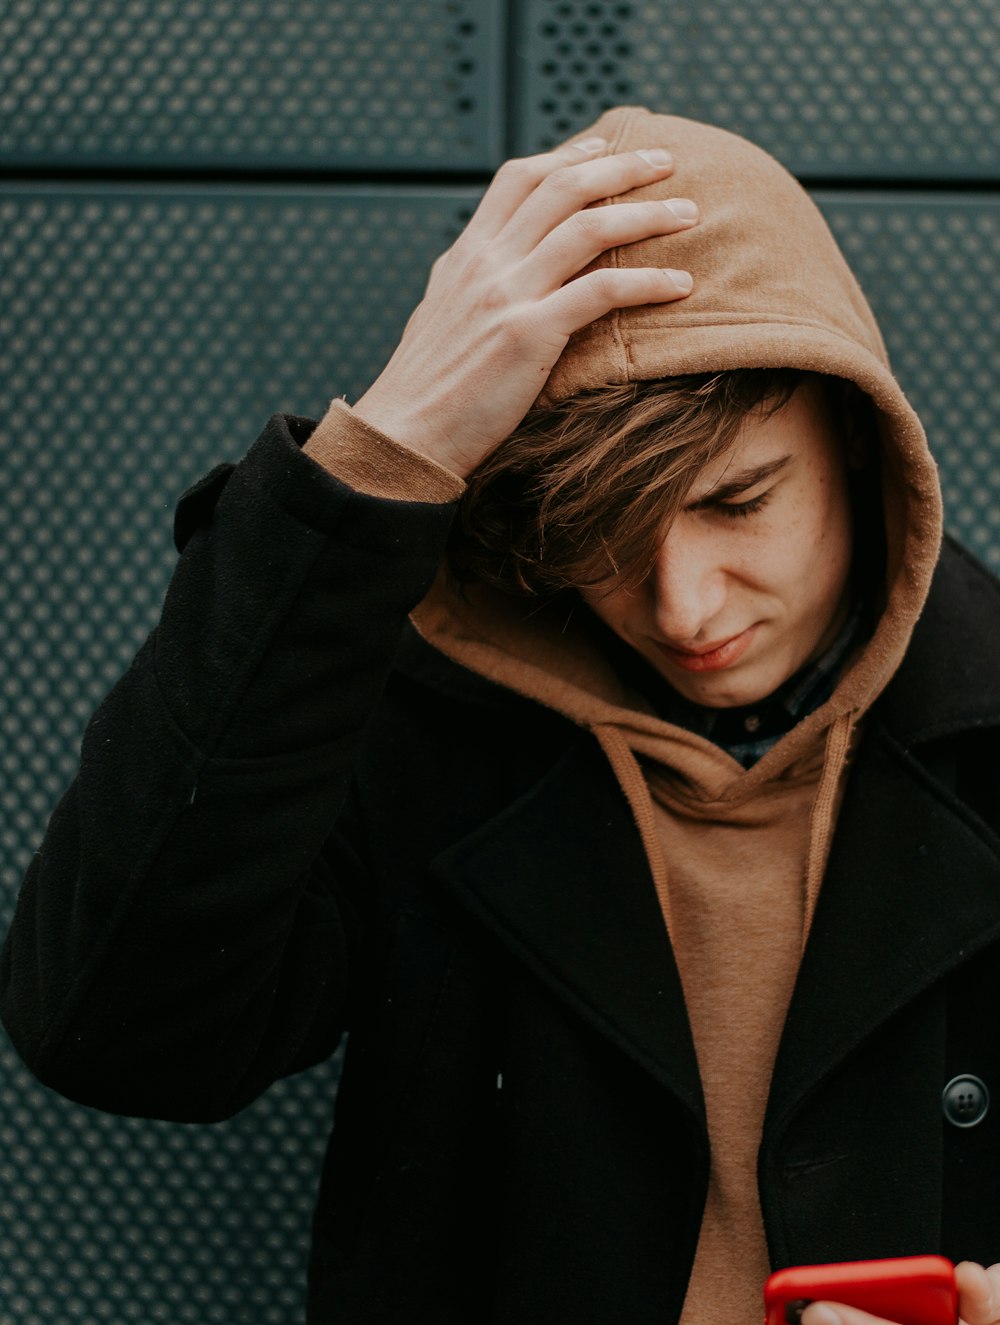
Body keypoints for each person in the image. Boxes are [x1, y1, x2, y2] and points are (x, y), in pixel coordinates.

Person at [2, 105, 999, 1325]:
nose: (685, 608)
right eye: (602, 547)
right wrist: (377, 463)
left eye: (739, 500)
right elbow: (114, 1029)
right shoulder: (420, 737)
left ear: (858, 434)